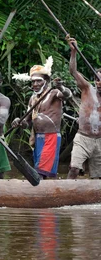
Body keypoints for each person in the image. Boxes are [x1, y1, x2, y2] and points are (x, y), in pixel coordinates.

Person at [12, 57, 72, 179]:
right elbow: (27, 122)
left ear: (46, 80)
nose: (35, 84)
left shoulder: (54, 93)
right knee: (42, 172)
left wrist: (60, 87)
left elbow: (68, 95)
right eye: (33, 81)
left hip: (51, 137)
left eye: (38, 81)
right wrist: (19, 122)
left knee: (40, 173)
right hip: (38, 138)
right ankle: (52, 194)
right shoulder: (32, 99)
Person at [66, 37, 101, 179]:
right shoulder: (87, 88)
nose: (99, 83)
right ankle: (65, 195)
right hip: (83, 138)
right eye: (97, 79)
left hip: (100, 140)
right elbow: (73, 71)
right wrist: (73, 52)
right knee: (74, 168)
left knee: (97, 177)